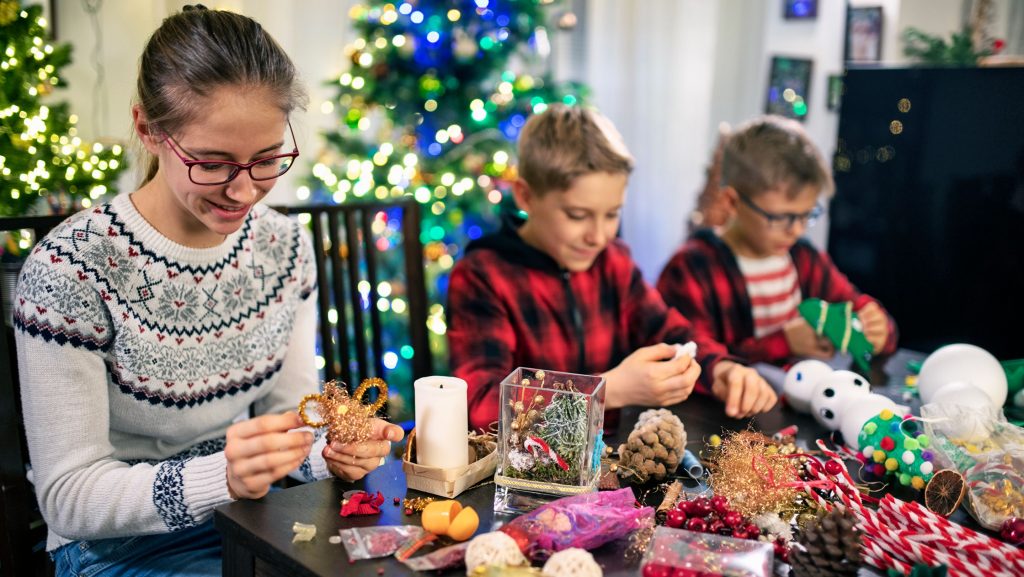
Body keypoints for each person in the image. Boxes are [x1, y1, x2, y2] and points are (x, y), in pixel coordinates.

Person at [12, 6, 401, 576]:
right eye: (213, 163)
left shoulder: (284, 248)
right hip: (118, 548)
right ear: (148, 128)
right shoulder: (73, 267)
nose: (244, 190)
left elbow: (289, 417)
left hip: (259, 518)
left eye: (268, 159)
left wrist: (332, 454)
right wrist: (220, 477)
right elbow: (68, 495)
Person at [447, 104, 777, 434]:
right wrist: (606, 390)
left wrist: (722, 370)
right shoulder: (482, 277)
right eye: (577, 215)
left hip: (606, 467)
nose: (599, 236)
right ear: (525, 196)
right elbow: (479, 405)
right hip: (521, 478)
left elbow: (670, 332)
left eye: (612, 214)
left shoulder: (612, 262)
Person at [657, 115, 897, 367]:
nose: (796, 230)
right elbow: (693, 362)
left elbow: (857, 306)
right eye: (781, 217)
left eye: (807, 214)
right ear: (732, 202)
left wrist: (878, 327)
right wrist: (783, 343)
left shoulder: (804, 259)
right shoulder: (692, 270)